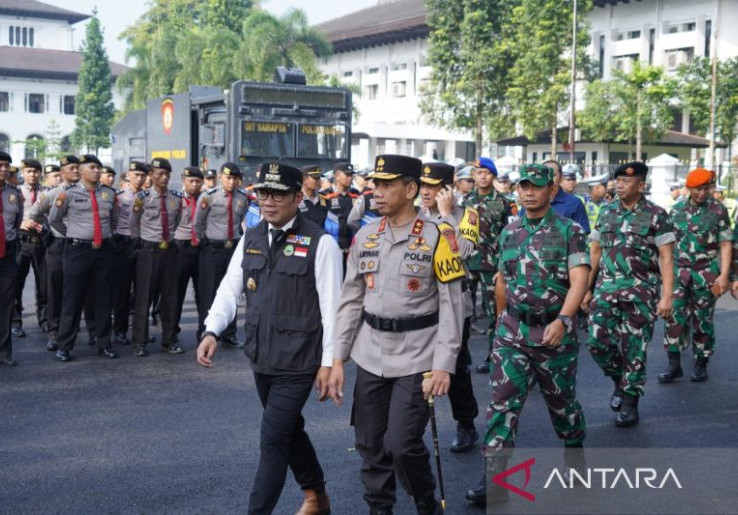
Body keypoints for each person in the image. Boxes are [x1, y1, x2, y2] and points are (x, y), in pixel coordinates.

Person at [197, 162, 343, 515]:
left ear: (297, 197)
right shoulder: (252, 237)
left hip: (299, 360)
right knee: (289, 430)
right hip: (261, 355)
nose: (268, 200)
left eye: (278, 194)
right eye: (263, 192)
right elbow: (231, 288)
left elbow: (333, 309)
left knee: (273, 440)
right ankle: (316, 496)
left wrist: (330, 362)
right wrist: (212, 329)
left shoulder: (320, 242)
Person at [329, 154, 465, 515]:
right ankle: (379, 507)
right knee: (370, 442)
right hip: (371, 351)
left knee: (402, 444)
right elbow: (351, 299)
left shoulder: (440, 237)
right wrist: (337, 357)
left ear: (410, 189)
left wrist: (444, 365)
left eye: (387, 185)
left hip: (419, 355)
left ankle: (424, 497)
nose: (377, 191)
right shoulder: (367, 235)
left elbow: (453, 307)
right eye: (375, 184)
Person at [466, 163, 590, 507]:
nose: (529, 192)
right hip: (513, 332)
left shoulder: (570, 231)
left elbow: (580, 278)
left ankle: (574, 450)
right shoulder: (509, 232)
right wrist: (503, 321)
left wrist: (564, 319)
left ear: (551, 191)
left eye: (536, 186)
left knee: (562, 405)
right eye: (524, 186)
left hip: (555, 332)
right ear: (518, 190)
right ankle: (495, 479)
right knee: (502, 405)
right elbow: (502, 281)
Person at [582, 162, 675, 427]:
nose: (618, 185)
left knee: (635, 349)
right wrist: (587, 288)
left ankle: (630, 403)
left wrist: (667, 296)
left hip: (641, 293)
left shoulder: (657, 214)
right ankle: (620, 381)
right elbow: (595, 252)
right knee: (596, 341)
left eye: (625, 181)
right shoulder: (607, 211)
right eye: (618, 180)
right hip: (606, 291)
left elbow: (667, 257)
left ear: (641, 185)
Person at [419, 162, 481, 453]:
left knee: (454, 366)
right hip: (420, 303)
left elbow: (463, 252)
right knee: (416, 364)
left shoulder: (467, 215)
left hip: (456, 304)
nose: (425, 192)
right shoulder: (414, 216)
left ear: (447, 188)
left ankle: (466, 422)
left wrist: (445, 217)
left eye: (432, 187)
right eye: (422, 186)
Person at [659, 169, 731, 384]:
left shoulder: (718, 210)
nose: (702, 193)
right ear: (689, 188)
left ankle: (701, 362)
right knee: (673, 317)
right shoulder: (676, 210)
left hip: (705, 273)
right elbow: (668, 246)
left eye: (706, 188)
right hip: (679, 273)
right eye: (698, 189)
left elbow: (726, 243)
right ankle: (673, 365)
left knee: (703, 319)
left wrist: (725, 275)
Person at [48, 155, 118, 362]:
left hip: (103, 251)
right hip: (77, 251)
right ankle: (65, 345)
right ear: (81, 170)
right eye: (93, 167)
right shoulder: (67, 194)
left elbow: (113, 222)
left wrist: (102, 236)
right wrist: (74, 233)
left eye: (99, 168)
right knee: (72, 299)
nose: (98, 171)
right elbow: (55, 220)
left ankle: (104, 343)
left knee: (103, 300)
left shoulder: (109, 194)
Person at [24, 155, 96, 352]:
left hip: (82, 246)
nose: (75, 171)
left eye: (77, 168)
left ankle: (93, 331)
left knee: (88, 289)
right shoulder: (51, 194)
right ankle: (54, 332)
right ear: (62, 172)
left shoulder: (89, 192)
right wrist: (47, 227)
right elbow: (34, 214)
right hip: (59, 244)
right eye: (71, 168)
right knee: (55, 289)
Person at [463, 157, 513, 373]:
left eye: (487, 173)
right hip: (466, 265)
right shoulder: (464, 201)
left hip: (492, 266)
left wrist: (503, 266)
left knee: (496, 313)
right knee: (461, 312)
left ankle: (494, 356)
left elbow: (509, 236)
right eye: (478, 172)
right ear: (474, 175)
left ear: (493, 176)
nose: (482, 176)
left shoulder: (503, 202)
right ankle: (459, 356)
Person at [130, 158, 184, 357]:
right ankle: (139, 342)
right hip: (148, 251)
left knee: (170, 298)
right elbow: (133, 224)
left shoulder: (176, 198)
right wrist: (142, 243)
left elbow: (177, 221)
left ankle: (169, 341)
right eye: (159, 174)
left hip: (168, 250)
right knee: (144, 297)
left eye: (167, 174)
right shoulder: (142, 198)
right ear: (151, 175)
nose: (164, 178)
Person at [194, 162, 249, 348]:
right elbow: (198, 224)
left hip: (232, 248)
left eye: (235, 178)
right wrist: (206, 242)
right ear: (220, 177)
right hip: (212, 249)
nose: (232, 182)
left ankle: (229, 334)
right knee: (208, 292)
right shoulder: (208, 197)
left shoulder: (242, 197)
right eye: (228, 178)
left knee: (232, 292)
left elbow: (241, 220)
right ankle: (206, 332)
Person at [112, 161, 148, 345]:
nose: (139, 179)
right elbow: (112, 220)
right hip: (123, 244)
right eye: (136, 175)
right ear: (128, 176)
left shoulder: (150, 197)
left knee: (143, 291)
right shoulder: (118, 197)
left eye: (143, 175)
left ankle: (141, 331)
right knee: (122, 290)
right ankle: (120, 330)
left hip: (143, 243)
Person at [12, 159, 47, 337]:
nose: (32, 174)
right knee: (17, 283)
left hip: (41, 241)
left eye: (35, 171)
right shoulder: (16, 192)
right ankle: (16, 321)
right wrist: (21, 223)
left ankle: (44, 319)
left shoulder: (47, 192)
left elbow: (53, 215)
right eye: (29, 171)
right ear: (23, 173)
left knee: (44, 283)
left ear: (40, 173)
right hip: (21, 241)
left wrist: (45, 225)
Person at [174, 166, 204, 338]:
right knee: (177, 292)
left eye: (198, 181)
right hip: (180, 248)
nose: (194, 185)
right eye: (191, 181)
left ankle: (204, 330)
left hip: (201, 249)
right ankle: (172, 331)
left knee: (203, 292)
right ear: (183, 181)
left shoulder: (207, 198)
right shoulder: (175, 198)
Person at [0, 151, 22, 366]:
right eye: (0, 165)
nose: (4, 169)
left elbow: (17, 222)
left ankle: (4, 352)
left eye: (7, 165)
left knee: (6, 303)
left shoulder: (13, 193)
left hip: (7, 252)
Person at [320, 162, 360, 269]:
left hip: (352, 247)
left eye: (352, 175)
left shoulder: (357, 194)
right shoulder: (325, 196)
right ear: (337, 175)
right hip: (332, 247)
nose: (350, 178)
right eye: (347, 175)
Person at [540, 160, 590, 233]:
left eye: (553, 175)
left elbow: (584, 232)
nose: (548, 178)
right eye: (544, 174)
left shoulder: (575, 203)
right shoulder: (530, 201)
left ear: (561, 178)